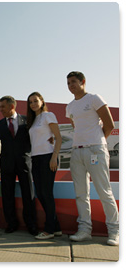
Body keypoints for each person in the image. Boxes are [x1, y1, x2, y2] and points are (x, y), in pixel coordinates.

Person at [65, 71, 119, 246]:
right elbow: (77, 127)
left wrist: (97, 142)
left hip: (95, 150)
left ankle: (114, 231)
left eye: (74, 81)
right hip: (77, 152)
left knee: (104, 191)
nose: (71, 85)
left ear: (83, 82)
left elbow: (109, 125)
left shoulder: (94, 98)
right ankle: (84, 230)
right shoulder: (70, 106)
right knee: (81, 193)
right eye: (68, 83)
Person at [0, 95, 38, 235]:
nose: (0, 110)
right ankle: (11, 223)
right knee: (7, 195)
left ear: (11, 106)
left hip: (24, 163)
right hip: (6, 164)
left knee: (28, 194)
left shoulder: (27, 121)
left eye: (2, 107)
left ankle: (31, 224)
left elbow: (37, 138)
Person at [27, 92, 62, 239]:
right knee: (40, 193)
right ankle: (56, 227)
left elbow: (59, 138)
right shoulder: (33, 120)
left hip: (48, 157)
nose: (33, 104)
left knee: (47, 193)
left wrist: (54, 157)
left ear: (42, 101)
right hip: (35, 159)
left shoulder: (48, 115)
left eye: (36, 101)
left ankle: (49, 230)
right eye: (30, 102)